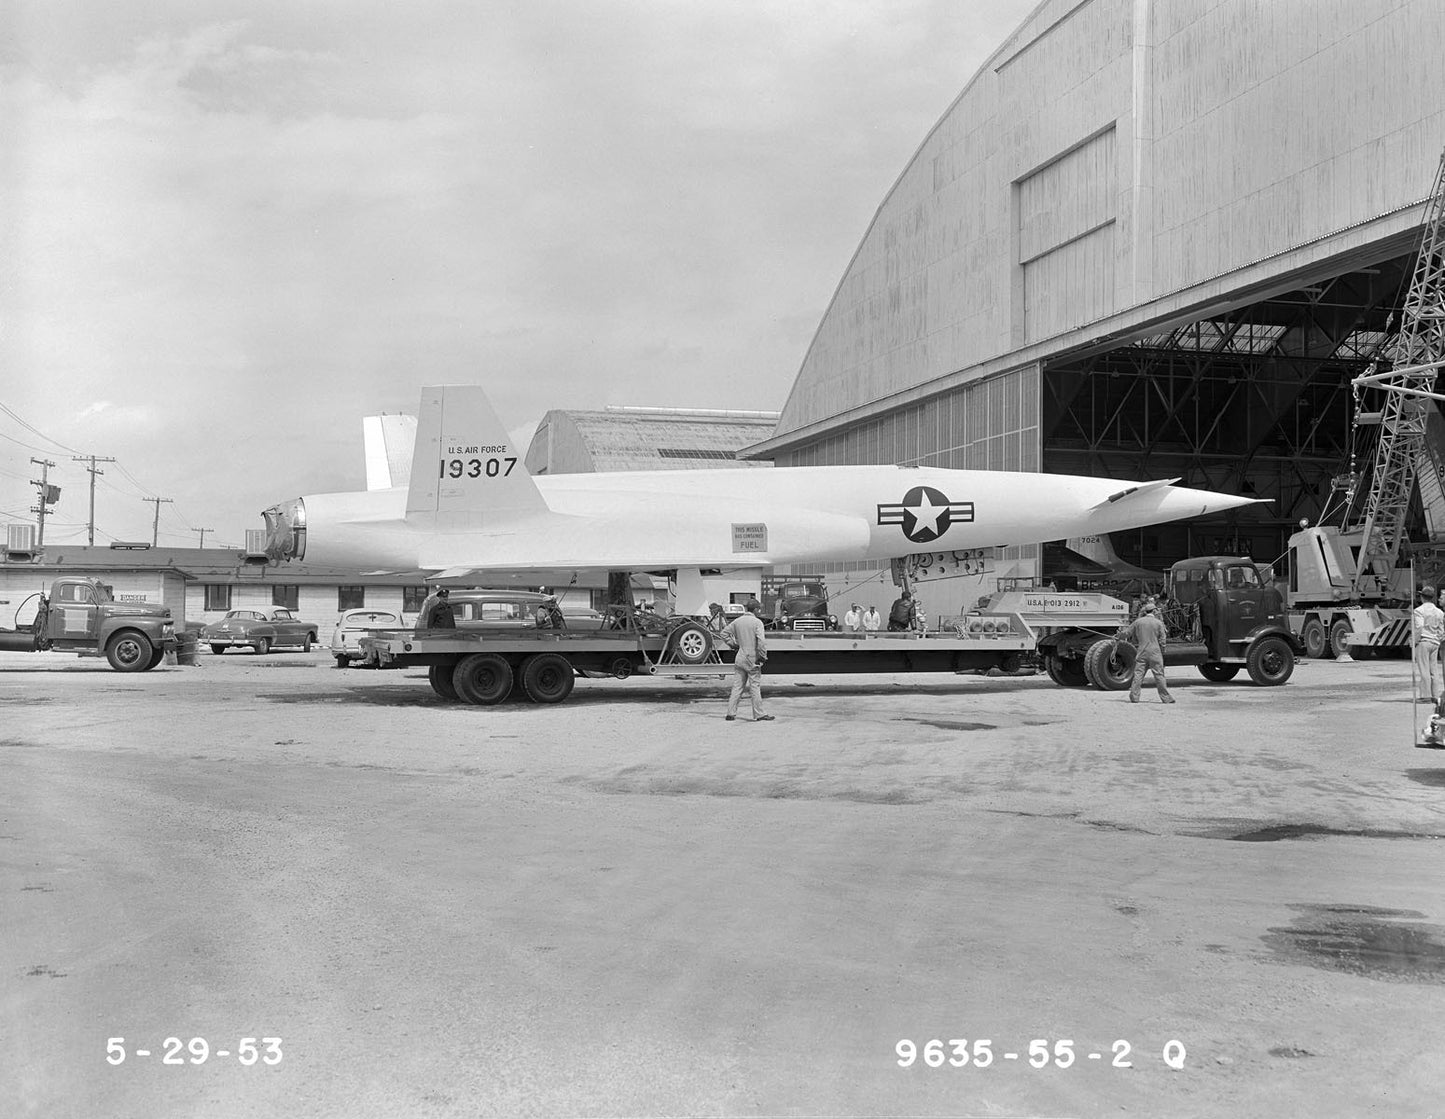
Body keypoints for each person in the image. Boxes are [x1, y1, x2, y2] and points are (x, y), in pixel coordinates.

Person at [720, 599, 773, 722]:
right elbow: (761, 641)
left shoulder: (737, 621)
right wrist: (763, 656)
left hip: (740, 656)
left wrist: (733, 645)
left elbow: (724, 633)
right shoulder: (757, 622)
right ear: (755, 609)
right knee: (754, 686)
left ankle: (730, 713)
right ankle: (759, 714)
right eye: (758, 609)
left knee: (737, 686)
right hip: (752, 657)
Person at [1119, 601, 1173, 704]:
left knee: (1138, 675)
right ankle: (1166, 698)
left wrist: (1118, 636)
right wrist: (1162, 650)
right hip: (1155, 652)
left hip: (1142, 652)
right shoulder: (1158, 623)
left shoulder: (1138, 622)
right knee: (1159, 675)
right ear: (1154, 611)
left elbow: (1127, 633)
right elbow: (1162, 639)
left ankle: (1134, 697)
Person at [1412, 585, 1445, 704]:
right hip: (1435, 642)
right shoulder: (1439, 612)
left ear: (1422, 597)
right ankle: (1435, 695)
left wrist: (1414, 640)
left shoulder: (1419, 611)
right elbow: (1441, 629)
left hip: (1424, 641)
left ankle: (1425, 696)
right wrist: (1438, 639)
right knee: (1433, 669)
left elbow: (1419, 626)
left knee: (1424, 669)